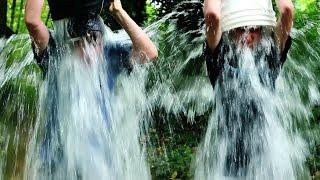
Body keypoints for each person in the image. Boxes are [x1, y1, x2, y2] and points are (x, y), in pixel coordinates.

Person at [24, 0, 157, 177]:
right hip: (56, 165)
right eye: (81, 42)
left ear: (103, 40)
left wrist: (118, 11)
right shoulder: (55, 56)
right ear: (71, 43)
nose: (89, 50)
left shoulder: (111, 57)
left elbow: (150, 53)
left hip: (101, 164)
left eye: (94, 40)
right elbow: (32, 21)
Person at [203, 0, 294, 177]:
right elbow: (212, 15)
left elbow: (287, 10)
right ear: (230, 30)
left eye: (254, 29)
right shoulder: (220, 60)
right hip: (230, 165)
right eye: (240, 29)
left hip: (269, 162)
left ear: (262, 31)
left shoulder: (270, 57)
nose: (248, 36)